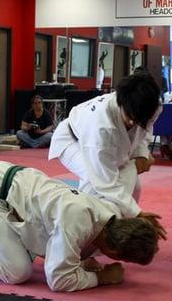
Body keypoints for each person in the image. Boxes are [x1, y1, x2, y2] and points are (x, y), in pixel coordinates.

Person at [0, 161, 160, 292]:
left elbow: (56, 239)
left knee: (27, 249)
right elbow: (58, 279)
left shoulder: (109, 217)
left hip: (3, 182)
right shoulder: (78, 221)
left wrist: (81, 261)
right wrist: (102, 278)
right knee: (18, 270)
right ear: (114, 252)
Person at [49, 73, 165, 235]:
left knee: (134, 185)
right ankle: (80, 235)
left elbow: (145, 130)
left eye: (138, 120)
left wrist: (141, 153)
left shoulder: (152, 105)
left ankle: (124, 229)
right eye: (130, 117)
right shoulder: (101, 126)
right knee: (93, 182)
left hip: (113, 143)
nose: (133, 123)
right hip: (72, 141)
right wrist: (137, 212)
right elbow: (105, 182)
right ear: (121, 102)